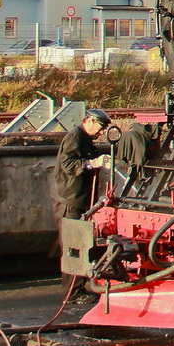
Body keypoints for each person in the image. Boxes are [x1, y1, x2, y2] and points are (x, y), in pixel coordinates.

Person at [54, 108, 111, 300]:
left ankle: (78, 288)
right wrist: (91, 164)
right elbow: (68, 164)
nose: (101, 132)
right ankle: (72, 294)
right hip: (70, 199)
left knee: (79, 244)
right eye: (100, 127)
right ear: (89, 121)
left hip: (78, 198)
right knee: (73, 246)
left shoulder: (84, 139)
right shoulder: (74, 138)